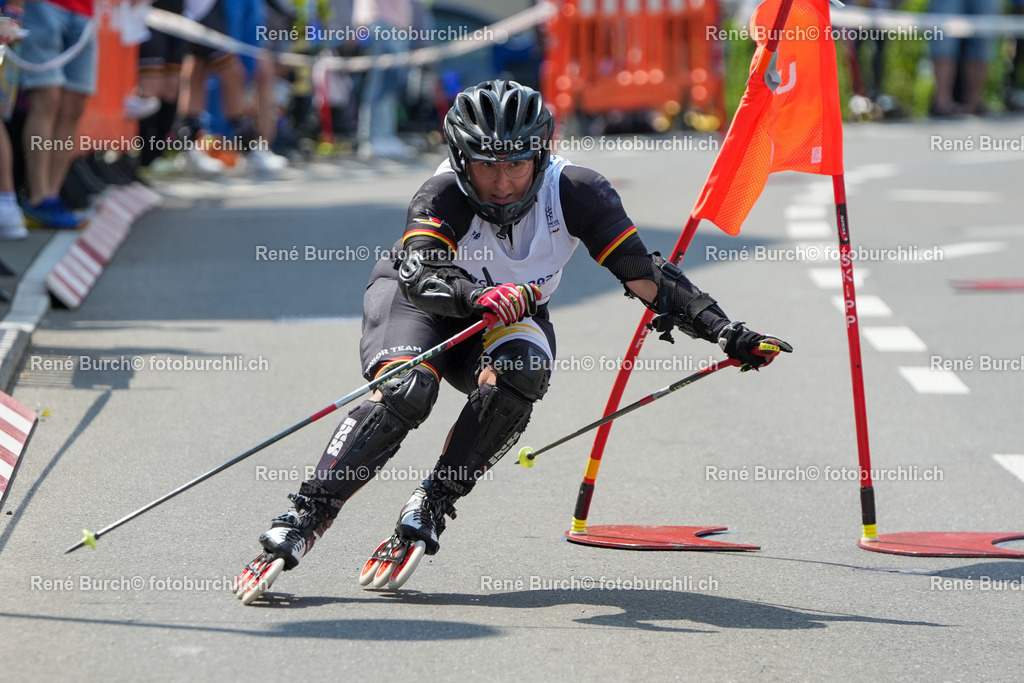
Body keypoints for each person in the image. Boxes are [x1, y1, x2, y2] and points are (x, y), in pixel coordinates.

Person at [235, 80, 792, 603]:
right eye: (486, 167)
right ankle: (306, 515)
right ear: (461, 161)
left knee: (523, 370)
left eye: (517, 166)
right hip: (423, 305)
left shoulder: (578, 191)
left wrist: (728, 332)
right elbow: (420, 272)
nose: (502, 184)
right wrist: (476, 296)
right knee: (407, 392)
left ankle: (433, 500)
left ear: (540, 158)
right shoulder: (441, 193)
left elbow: (645, 276)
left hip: (506, 315)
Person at [18, 0, 97, 229]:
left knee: (74, 106)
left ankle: (52, 195)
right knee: (47, 100)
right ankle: (39, 197)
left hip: (85, 12)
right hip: (43, 6)